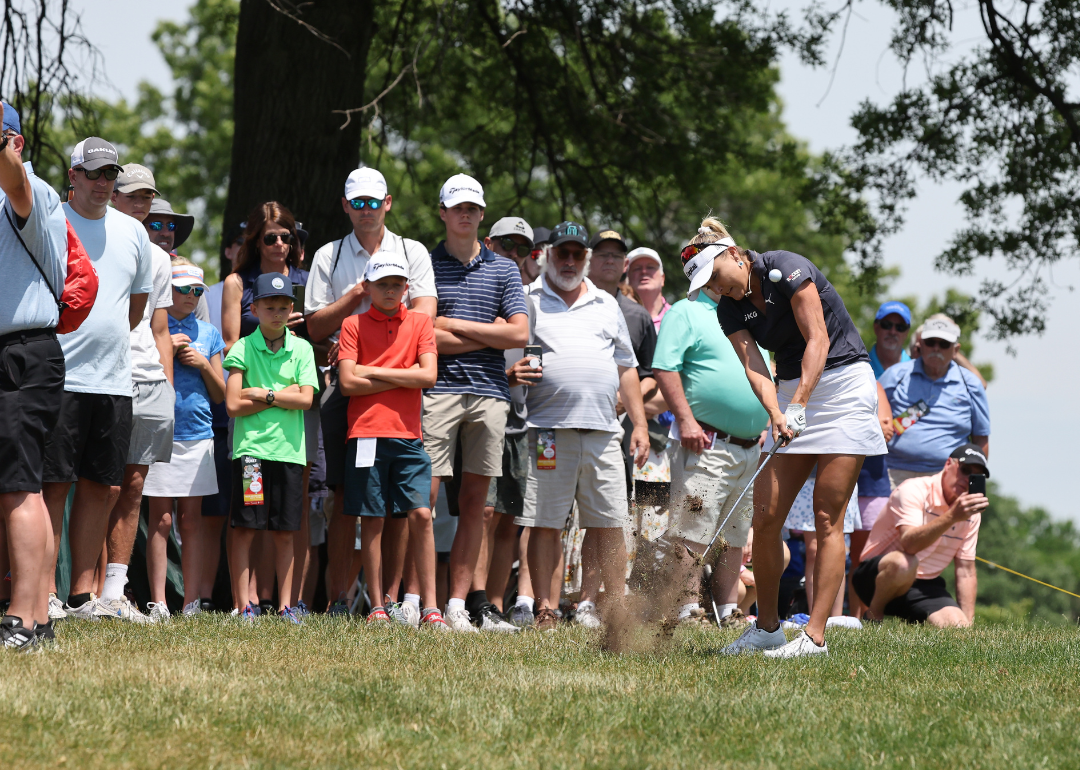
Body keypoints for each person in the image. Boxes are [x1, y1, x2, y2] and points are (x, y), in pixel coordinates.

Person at [684, 217, 886, 657]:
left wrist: (799, 403)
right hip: (792, 388)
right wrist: (778, 410)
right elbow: (754, 366)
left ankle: (814, 637)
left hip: (843, 385)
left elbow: (818, 339)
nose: (718, 289)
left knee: (827, 515)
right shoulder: (728, 309)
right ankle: (768, 630)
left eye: (716, 276)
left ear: (735, 255)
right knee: (767, 513)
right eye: (709, 286)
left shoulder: (787, 267)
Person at [305, 167, 437, 619]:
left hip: (393, 389)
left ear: (388, 202)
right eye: (356, 202)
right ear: (344, 205)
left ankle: (395, 600)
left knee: (402, 504)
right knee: (345, 496)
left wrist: (377, 369)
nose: (365, 210)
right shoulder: (329, 254)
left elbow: (422, 317)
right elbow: (315, 327)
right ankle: (340, 598)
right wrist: (356, 295)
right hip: (346, 386)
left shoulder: (412, 251)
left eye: (372, 201)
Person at [516, 221, 650, 631]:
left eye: (577, 254)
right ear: (547, 256)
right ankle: (545, 609)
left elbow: (627, 368)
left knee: (609, 522)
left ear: (586, 259)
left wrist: (640, 425)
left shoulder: (607, 304)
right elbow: (509, 357)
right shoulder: (528, 299)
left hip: (604, 432)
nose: (570, 261)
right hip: (547, 432)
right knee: (546, 522)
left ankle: (614, 610)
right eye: (563, 253)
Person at [43, 137, 153, 621]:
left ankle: (82, 594)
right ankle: (42, 590)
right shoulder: (49, 222)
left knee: (99, 487)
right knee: (52, 486)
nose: (103, 183)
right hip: (56, 374)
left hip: (112, 379)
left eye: (110, 174)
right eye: (93, 173)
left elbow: (133, 310)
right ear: (72, 175)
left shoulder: (134, 232)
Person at [424, 173, 529, 633]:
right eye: (456, 207)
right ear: (443, 213)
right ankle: (421, 602)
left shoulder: (504, 268)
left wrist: (456, 326)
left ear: (481, 214)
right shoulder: (424, 266)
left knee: (477, 506)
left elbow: (519, 333)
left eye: (472, 207)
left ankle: (456, 605)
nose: (464, 214)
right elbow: (423, 336)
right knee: (422, 502)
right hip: (438, 390)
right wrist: (486, 334)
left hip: (489, 395)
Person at [337, 254, 448, 629]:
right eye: (382, 284)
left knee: (420, 514)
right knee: (372, 519)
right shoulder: (352, 324)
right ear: (366, 287)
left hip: (408, 436)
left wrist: (371, 371)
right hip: (366, 433)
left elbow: (429, 376)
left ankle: (431, 608)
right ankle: (378, 608)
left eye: (397, 284)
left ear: (407, 287)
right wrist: (404, 374)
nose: (390, 290)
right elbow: (348, 384)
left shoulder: (419, 322)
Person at [651, 282, 770, 629]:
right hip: (705, 442)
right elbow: (664, 368)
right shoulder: (685, 311)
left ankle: (727, 610)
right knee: (692, 531)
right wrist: (685, 420)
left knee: (735, 536)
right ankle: (688, 611)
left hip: (750, 446)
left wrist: (766, 419)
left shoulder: (748, 314)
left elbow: (766, 371)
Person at [90, 164, 176, 624]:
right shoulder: (91, 241)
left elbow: (159, 328)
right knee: (103, 485)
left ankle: (114, 591)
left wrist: (168, 384)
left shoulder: (160, 259)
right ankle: (83, 590)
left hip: (148, 380)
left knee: (135, 486)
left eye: (148, 197)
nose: (142, 205)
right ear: (114, 197)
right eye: (133, 196)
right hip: (105, 375)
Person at [0, 102, 68, 649]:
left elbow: (15, 183)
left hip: (24, 352)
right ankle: (38, 616)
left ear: (15, 142)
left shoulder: (28, 189)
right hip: (19, 353)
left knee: (18, 488)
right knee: (26, 488)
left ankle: (23, 619)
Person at [223, 272, 317, 622]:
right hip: (251, 452)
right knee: (246, 527)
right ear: (255, 308)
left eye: (283, 307)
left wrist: (262, 393)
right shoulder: (243, 348)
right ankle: (242, 604)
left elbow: (306, 400)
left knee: (284, 531)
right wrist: (284, 396)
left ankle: (285, 606)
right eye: (269, 306)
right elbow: (233, 404)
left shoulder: (303, 348)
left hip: (289, 453)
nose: (277, 313)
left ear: (292, 308)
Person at [144, 262, 225, 619]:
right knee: (160, 520)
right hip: (161, 431)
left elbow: (222, 394)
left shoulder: (209, 333)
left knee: (191, 522)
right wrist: (165, 346)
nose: (191, 297)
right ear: (167, 291)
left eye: (197, 291)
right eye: (183, 290)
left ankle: (192, 602)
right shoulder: (151, 328)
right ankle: (159, 602)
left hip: (198, 434)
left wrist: (203, 364)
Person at [474, 216, 538, 627]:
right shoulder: (476, 289)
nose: (514, 255)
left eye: (523, 249)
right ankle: (472, 602)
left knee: (509, 518)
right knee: (482, 513)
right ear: (488, 243)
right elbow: (456, 362)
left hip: (520, 422)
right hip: (482, 417)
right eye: (506, 245)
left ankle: (494, 607)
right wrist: (506, 376)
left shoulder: (527, 301)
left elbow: (531, 352)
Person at [853, 444, 989, 627]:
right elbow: (910, 545)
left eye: (974, 476)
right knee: (904, 563)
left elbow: (965, 571)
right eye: (964, 470)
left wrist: (969, 624)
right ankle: (873, 617)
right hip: (876, 577)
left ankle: (918, 617)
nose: (966, 480)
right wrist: (951, 516)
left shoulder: (972, 514)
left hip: (924, 584)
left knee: (959, 629)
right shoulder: (913, 489)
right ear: (949, 464)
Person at [879, 314, 990, 489]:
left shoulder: (971, 385)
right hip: (894, 474)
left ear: (955, 350)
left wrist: (975, 487)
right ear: (920, 344)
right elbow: (870, 417)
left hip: (948, 476)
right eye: (931, 342)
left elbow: (981, 438)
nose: (936, 348)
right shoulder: (895, 376)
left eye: (944, 344)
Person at [626, 246, 670, 331]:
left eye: (650, 267)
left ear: (662, 278)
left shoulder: (678, 316)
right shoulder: (620, 317)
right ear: (628, 279)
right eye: (637, 268)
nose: (644, 271)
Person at [868, 301, 912, 377]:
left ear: (907, 332)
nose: (893, 332)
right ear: (876, 327)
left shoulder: (914, 371)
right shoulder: (859, 368)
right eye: (887, 325)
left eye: (900, 327)